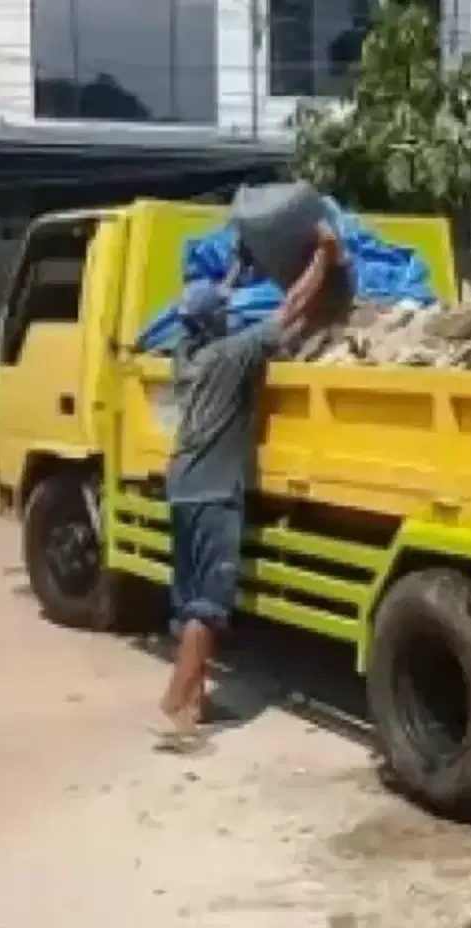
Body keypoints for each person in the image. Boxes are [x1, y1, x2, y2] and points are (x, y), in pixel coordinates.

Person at [156, 181, 350, 752]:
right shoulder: (235, 355)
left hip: (181, 486)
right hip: (215, 492)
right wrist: (322, 257)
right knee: (208, 604)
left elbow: (212, 303)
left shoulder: (185, 359)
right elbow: (293, 308)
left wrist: (240, 264)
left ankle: (190, 701)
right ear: (221, 321)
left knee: (188, 593)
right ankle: (179, 704)